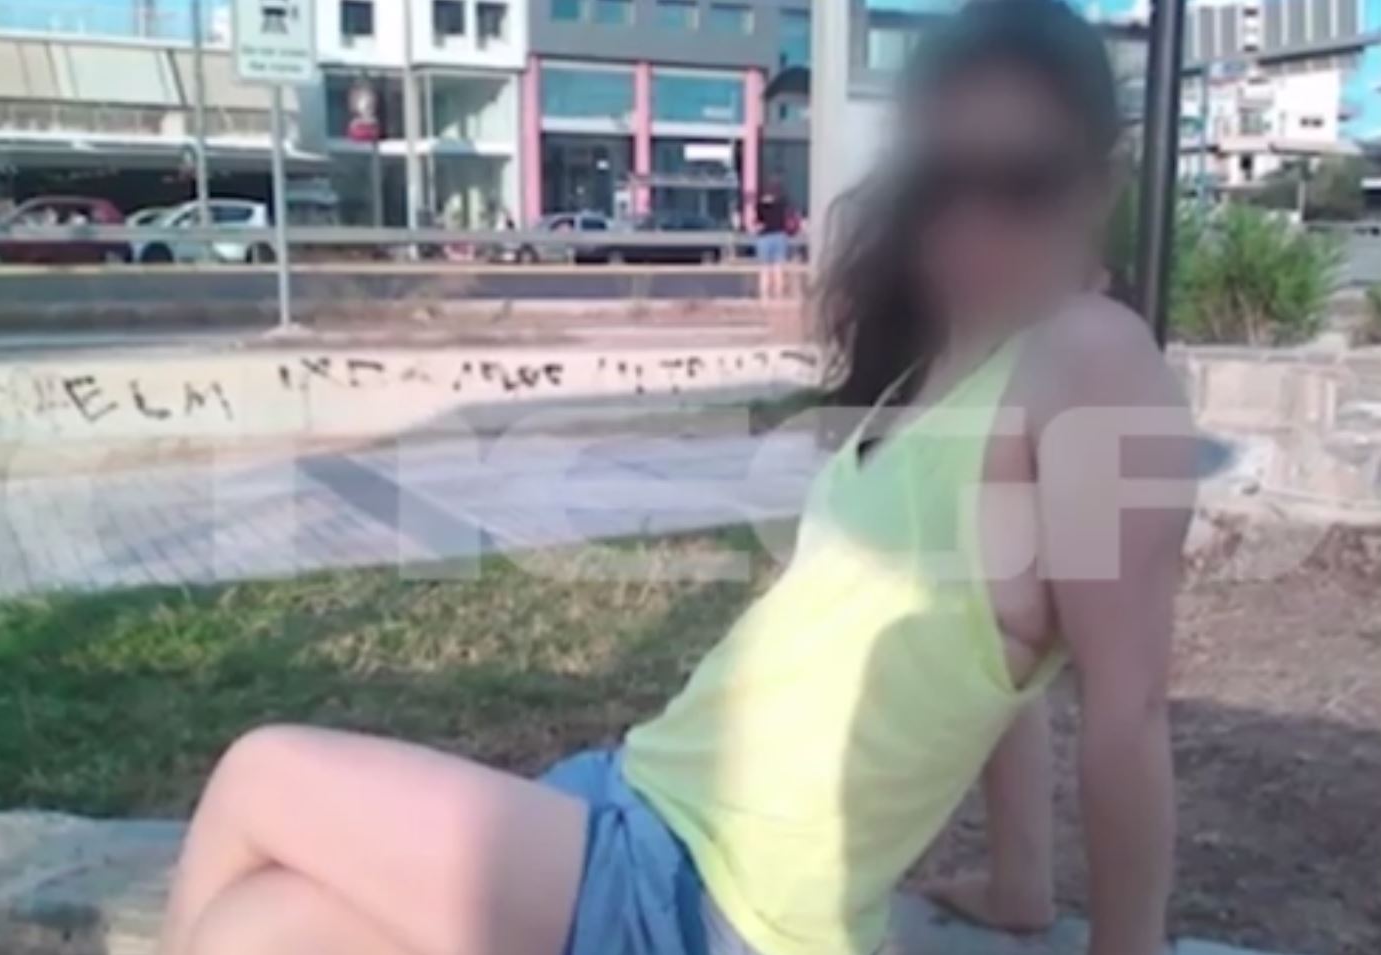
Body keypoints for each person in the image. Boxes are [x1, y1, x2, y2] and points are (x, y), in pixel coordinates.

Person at [158, 4, 1196, 955]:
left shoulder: (1091, 353)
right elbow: (992, 656)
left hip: (705, 896)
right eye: (940, 185)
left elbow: (1128, 707)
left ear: (1100, 183)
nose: (970, 225)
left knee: (260, 775)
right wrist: (1018, 882)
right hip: (644, 806)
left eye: (1017, 185)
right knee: (263, 924)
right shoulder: (955, 353)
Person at [754, 178, 792, 301]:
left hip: (764, 237)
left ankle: (764, 298)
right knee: (778, 269)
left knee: (764, 269)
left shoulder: (760, 205)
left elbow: (759, 222)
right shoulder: (782, 203)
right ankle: (778, 297)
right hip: (780, 235)